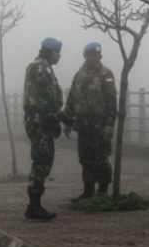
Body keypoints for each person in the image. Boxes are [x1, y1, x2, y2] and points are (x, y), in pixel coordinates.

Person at [63, 42, 117, 202]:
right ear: (85, 56)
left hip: (99, 122)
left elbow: (112, 101)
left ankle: (102, 191)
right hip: (82, 122)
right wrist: (67, 120)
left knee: (101, 156)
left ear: (100, 57)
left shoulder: (106, 75)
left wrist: (109, 124)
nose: (93, 58)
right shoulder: (79, 75)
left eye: (96, 55)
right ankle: (88, 191)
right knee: (85, 157)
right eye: (90, 55)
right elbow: (72, 98)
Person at [23, 37, 67, 221]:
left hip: (42, 120)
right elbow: (45, 96)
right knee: (42, 161)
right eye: (57, 51)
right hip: (40, 121)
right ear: (50, 51)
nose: (59, 55)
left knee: (44, 161)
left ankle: (35, 205)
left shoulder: (43, 67)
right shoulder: (41, 67)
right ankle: (33, 206)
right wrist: (58, 118)